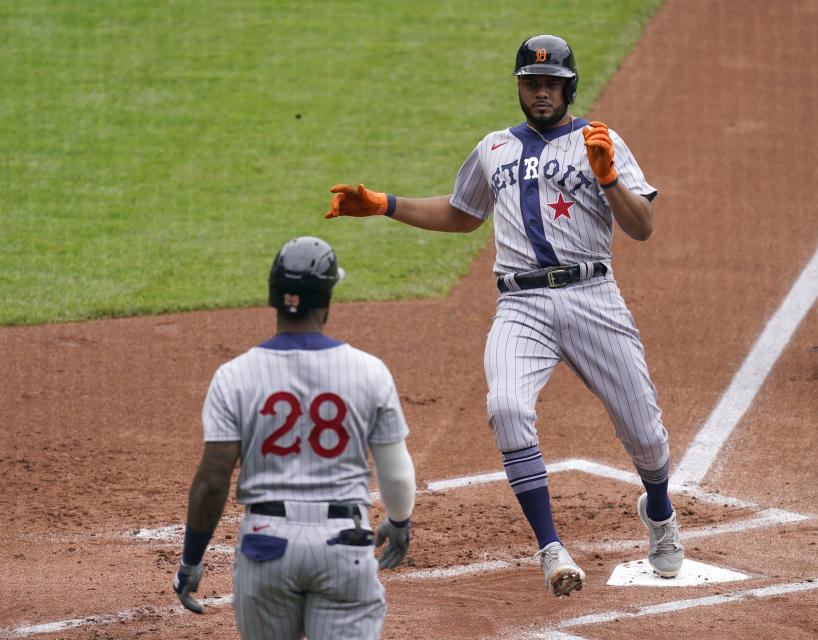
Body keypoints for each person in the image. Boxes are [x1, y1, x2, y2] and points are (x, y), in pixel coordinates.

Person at [324, 34, 683, 596]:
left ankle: (659, 515)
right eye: (532, 83)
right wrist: (383, 205)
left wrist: (608, 176)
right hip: (521, 304)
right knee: (506, 406)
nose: (541, 93)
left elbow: (642, 227)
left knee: (644, 432)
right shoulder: (494, 148)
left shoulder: (601, 140)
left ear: (569, 87)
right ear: (520, 86)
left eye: (552, 84)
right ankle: (551, 548)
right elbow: (463, 214)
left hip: (593, 297)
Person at [173, 236, 417, 639]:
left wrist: (191, 562)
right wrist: (399, 522)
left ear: (273, 296)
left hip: (266, 547)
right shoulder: (369, 371)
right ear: (327, 299)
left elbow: (212, 482)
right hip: (345, 548)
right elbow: (395, 473)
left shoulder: (234, 376)